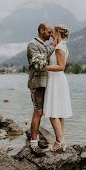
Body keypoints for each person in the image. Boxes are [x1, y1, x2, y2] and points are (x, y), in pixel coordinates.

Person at [26, 22, 56, 156]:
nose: (51, 34)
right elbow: (39, 63)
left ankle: (36, 140)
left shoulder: (42, 44)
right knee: (38, 112)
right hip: (37, 83)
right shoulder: (32, 44)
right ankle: (33, 144)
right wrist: (51, 48)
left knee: (41, 112)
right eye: (49, 32)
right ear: (41, 30)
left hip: (45, 83)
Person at [41, 24, 73, 152]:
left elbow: (61, 66)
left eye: (53, 31)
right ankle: (60, 140)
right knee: (59, 113)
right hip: (57, 80)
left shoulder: (60, 47)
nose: (51, 33)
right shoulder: (61, 45)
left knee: (53, 113)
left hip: (56, 80)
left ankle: (60, 141)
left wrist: (44, 67)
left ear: (58, 32)